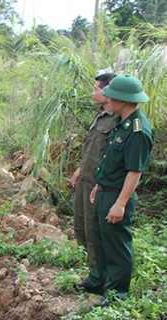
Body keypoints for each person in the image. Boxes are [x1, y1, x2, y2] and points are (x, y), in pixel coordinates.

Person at [78, 75, 154, 308]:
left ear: (123, 100)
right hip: (104, 191)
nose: (107, 99)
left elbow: (134, 172)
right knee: (100, 240)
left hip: (117, 195)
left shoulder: (138, 130)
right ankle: (98, 280)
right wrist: (99, 187)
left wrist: (120, 203)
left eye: (112, 96)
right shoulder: (121, 123)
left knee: (117, 245)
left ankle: (116, 295)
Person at [71, 73, 117, 267]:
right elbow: (91, 146)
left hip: (98, 182)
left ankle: (96, 272)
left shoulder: (117, 120)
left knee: (93, 229)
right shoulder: (100, 115)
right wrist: (80, 168)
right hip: (85, 177)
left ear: (107, 93)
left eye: (96, 89)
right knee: (80, 225)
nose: (92, 93)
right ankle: (88, 266)